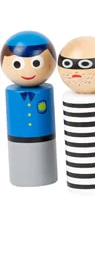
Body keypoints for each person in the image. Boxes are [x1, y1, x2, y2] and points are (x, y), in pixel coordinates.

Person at [59, 36, 95, 192]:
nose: (76, 72)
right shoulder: (71, 98)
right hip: (77, 178)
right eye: (68, 64)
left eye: (85, 64)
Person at [2, 30, 58, 186]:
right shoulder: (12, 93)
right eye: (17, 64)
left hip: (45, 136)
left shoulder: (45, 91)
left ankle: (45, 176)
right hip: (17, 138)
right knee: (21, 164)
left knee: (45, 157)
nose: (27, 72)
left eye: (36, 63)